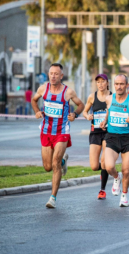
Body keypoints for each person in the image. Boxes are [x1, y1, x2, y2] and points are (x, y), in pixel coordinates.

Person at [31, 63, 84, 208]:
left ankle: (52, 198)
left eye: (56, 74)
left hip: (62, 131)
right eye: (51, 73)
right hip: (46, 130)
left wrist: (75, 114)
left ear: (61, 76)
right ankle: (62, 162)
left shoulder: (68, 92)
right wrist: (37, 111)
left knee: (54, 163)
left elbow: (81, 104)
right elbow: (33, 100)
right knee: (48, 166)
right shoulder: (43, 89)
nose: (53, 76)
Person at [99, 74, 129, 207]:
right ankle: (116, 177)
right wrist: (104, 121)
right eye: (117, 84)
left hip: (127, 139)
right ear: (113, 85)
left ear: (127, 85)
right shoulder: (109, 99)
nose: (119, 86)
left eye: (122, 84)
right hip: (112, 137)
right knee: (108, 166)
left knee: (126, 170)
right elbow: (109, 113)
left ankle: (124, 196)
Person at [82, 74, 112, 199]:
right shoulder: (92, 97)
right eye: (98, 82)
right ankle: (104, 170)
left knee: (104, 161)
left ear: (107, 83)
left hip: (108, 132)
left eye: (102, 81)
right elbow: (84, 111)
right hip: (95, 132)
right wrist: (87, 116)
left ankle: (102, 190)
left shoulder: (112, 97)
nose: (100, 84)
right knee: (94, 166)